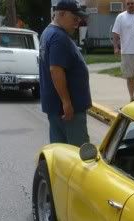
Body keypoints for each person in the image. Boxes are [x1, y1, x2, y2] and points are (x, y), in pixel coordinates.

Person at [38, 0, 91, 146]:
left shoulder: (48, 33)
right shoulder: (58, 37)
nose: (78, 22)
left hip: (56, 107)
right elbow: (55, 70)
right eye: (74, 18)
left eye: (79, 18)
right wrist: (66, 102)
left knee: (60, 150)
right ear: (61, 14)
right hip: (68, 110)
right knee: (77, 152)